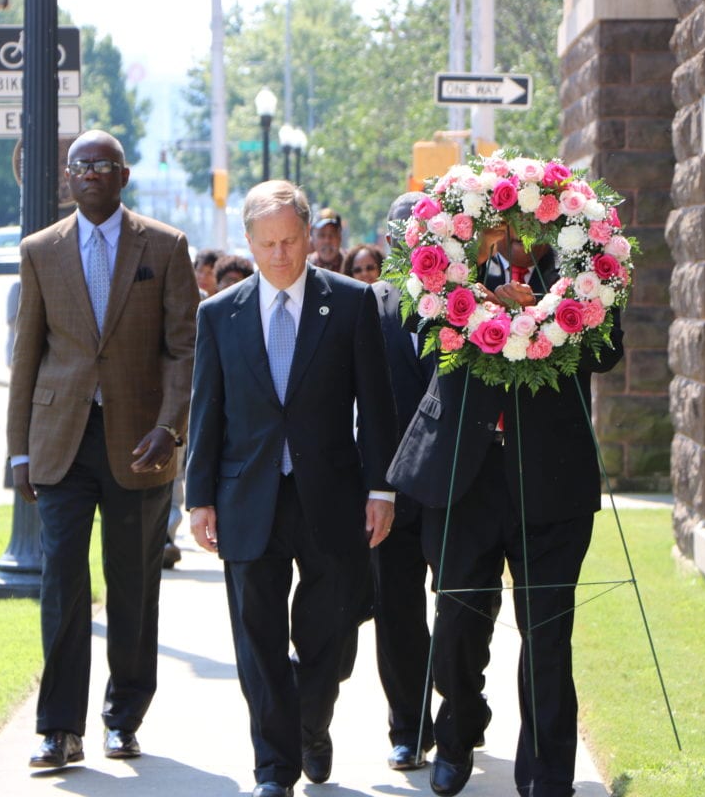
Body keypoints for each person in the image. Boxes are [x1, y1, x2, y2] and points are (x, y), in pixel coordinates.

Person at [387, 226, 625, 797]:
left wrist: (557, 302)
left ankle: (546, 774)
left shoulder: (583, 272)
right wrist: (482, 297)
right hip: (465, 479)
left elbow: (609, 353)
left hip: (552, 481)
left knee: (546, 630)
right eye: (505, 222)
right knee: (457, 626)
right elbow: (417, 327)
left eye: (530, 224)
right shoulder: (448, 268)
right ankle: (458, 730)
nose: (516, 236)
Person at [185, 181, 398, 797]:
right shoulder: (218, 315)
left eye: (289, 240)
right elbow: (208, 413)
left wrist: (381, 489)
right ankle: (273, 769)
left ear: (309, 236)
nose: (279, 254)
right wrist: (199, 497)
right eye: (266, 243)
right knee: (258, 640)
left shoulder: (353, 305)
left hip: (330, 496)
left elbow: (376, 409)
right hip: (248, 497)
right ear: (248, 243)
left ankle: (312, 720)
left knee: (328, 632)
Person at [6, 129, 199, 769]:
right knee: (61, 581)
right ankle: (59, 728)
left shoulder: (165, 247)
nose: (89, 173)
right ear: (67, 178)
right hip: (60, 442)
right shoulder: (39, 251)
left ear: (124, 175)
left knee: (134, 583)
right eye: (79, 165)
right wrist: (18, 452)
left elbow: (182, 349)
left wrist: (170, 427)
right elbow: (26, 355)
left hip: (140, 443)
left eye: (102, 165)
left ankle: (124, 717)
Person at [367, 192, 435, 771]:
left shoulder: (468, 304)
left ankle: (465, 700)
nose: (414, 243)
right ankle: (408, 728)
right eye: (403, 234)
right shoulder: (369, 306)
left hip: (457, 489)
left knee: (470, 605)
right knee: (397, 613)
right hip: (390, 490)